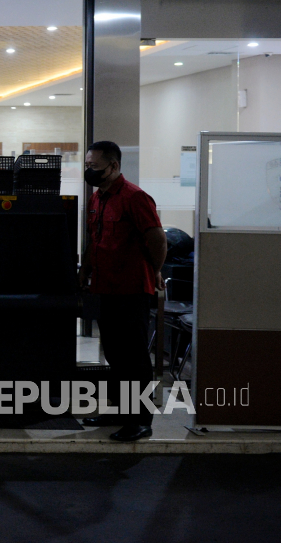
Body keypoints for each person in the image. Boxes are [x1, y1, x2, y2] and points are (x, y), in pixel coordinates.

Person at [78, 141, 167, 442]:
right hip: (105, 287)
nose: (89, 171)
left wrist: (154, 269)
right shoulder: (97, 198)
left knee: (134, 358)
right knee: (114, 354)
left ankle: (140, 421)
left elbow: (157, 239)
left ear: (114, 166)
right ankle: (119, 410)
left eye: (94, 166)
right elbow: (96, 239)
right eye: (87, 165)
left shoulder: (135, 197)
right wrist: (85, 270)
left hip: (131, 289)